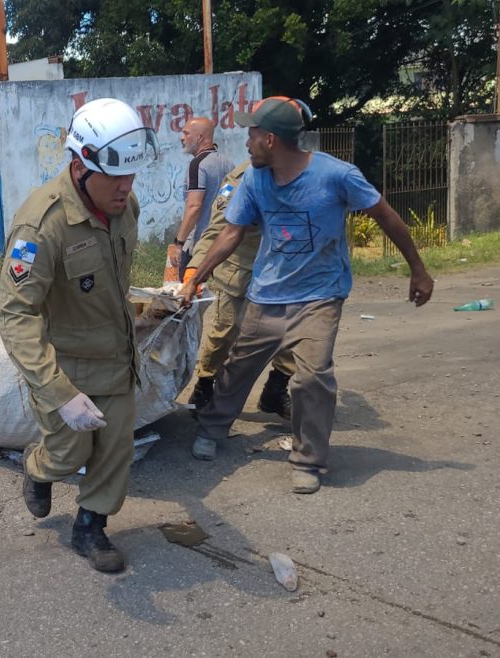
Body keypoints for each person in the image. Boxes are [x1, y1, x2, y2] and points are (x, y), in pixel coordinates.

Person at [177, 96, 434, 494]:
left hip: (320, 295)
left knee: (313, 377)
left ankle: (308, 459)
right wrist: (196, 278)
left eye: (252, 135)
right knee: (239, 365)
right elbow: (230, 233)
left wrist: (418, 269)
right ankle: (212, 428)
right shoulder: (255, 180)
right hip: (267, 294)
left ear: (271, 140)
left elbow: (385, 215)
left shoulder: (337, 175)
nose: (246, 142)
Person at [0, 98, 157, 573]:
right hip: (64, 366)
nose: (126, 187)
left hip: (116, 356)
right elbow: (16, 314)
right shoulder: (41, 226)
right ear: (81, 165)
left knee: (116, 447)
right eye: (115, 177)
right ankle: (38, 468)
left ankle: (91, 525)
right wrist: (58, 392)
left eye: (132, 175)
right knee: (69, 453)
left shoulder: (125, 207)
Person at [184, 160, 295, 420]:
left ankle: (276, 388)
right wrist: (195, 270)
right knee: (225, 332)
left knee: (292, 330)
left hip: (282, 270)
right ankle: (205, 385)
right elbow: (217, 229)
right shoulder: (241, 178)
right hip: (242, 268)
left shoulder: (301, 170)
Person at [172, 117, 234, 279]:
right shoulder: (228, 164)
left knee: (188, 289)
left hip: (198, 246)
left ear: (199, 137)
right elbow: (225, 198)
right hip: (222, 244)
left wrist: (178, 243)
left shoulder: (197, 165)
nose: (182, 138)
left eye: (186, 133)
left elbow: (194, 207)